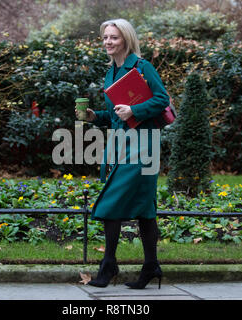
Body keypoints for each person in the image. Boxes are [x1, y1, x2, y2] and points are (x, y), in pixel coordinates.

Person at [75, 18, 170, 289]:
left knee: (110, 204)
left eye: (113, 37)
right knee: (144, 209)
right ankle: (151, 266)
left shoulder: (142, 67)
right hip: (121, 144)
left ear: (126, 40)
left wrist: (135, 111)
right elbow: (118, 116)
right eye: (105, 37)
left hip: (143, 146)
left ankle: (108, 266)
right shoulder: (111, 73)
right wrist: (95, 116)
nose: (107, 42)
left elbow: (162, 99)